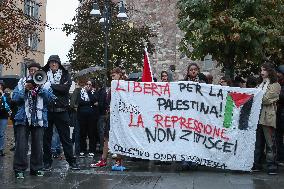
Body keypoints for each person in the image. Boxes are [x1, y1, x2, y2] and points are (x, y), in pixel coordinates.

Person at [12, 63, 55, 179]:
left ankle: (36, 168)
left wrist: (40, 89)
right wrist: (25, 90)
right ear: (28, 71)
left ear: (39, 71)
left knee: (38, 144)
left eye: (35, 70)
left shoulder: (45, 84)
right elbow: (14, 98)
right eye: (31, 70)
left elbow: (50, 100)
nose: (32, 72)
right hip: (23, 117)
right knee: (21, 145)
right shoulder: (21, 82)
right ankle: (19, 169)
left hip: (39, 118)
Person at [42, 55, 80, 171]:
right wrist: (57, 87)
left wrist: (50, 86)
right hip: (47, 111)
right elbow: (39, 87)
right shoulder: (43, 74)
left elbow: (65, 88)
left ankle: (72, 161)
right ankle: (47, 162)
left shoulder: (65, 75)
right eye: (51, 62)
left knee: (65, 138)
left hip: (61, 111)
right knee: (46, 139)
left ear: (59, 64)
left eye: (55, 62)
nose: (53, 64)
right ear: (48, 64)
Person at [90, 67, 126, 171]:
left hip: (120, 117)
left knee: (119, 138)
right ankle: (103, 159)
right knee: (106, 137)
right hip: (111, 115)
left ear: (119, 74)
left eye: (114, 75)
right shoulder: (112, 87)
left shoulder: (123, 85)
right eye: (111, 76)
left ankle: (118, 162)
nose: (112, 78)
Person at [252, 62, 281, 175]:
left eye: (264, 70)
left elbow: (266, 99)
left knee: (270, 143)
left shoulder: (275, 85)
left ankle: (272, 165)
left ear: (269, 71)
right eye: (261, 70)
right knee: (258, 142)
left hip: (267, 117)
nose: (262, 72)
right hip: (257, 116)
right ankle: (257, 164)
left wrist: (256, 96)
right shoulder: (260, 84)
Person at [77, 80, 98, 158]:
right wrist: (91, 103)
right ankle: (83, 150)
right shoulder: (81, 92)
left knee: (91, 133)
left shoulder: (94, 92)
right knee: (83, 133)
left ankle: (92, 150)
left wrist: (89, 93)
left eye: (90, 84)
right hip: (82, 115)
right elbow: (80, 102)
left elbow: (95, 101)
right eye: (87, 84)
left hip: (92, 116)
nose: (88, 86)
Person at [0, 80, 11, 157]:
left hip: (3, 116)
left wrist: (2, 96)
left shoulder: (6, 95)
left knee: (1, 133)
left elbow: (8, 105)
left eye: (1, 85)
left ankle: (1, 149)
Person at [276, 65, 284, 165]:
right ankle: (280, 157)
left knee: (279, 136)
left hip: (281, 113)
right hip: (279, 114)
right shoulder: (278, 84)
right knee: (278, 137)